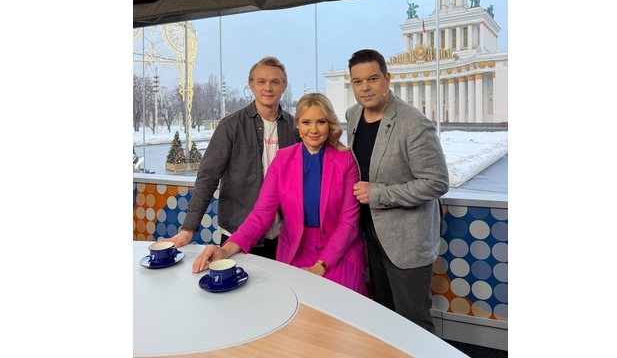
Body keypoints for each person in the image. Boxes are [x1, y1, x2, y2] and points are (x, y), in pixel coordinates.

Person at [192, 93, 367, 296]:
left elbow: (348, 223)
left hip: (339, 252)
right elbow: (261, 213)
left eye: (321, 122)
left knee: (340, 302)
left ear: (329, 124)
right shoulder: (282, 159)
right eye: (306, 122)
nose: (314, 129)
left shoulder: (345, 160)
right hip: (295, 249)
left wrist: (321, 266)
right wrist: (225, 250)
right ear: (297, 125)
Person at [345, 49, 449, 333]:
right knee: (384, 313)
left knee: (413, 321)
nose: (365, 87)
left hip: (407, 240)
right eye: (357, 81)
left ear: (387, 79)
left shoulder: (413, 122)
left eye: (372, 79)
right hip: (372, 233)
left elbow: (437, 182)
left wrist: (379, 194)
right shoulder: (353, 115)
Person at [161, 56, 299, 260]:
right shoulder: (230, 127)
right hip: (238, 234)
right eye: (261, 81)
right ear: (251, 85)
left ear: (284, 86)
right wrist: (189, 228)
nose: (268, 88)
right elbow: (207, 177)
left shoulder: (295, 128)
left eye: (275, 82)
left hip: (283, 236)